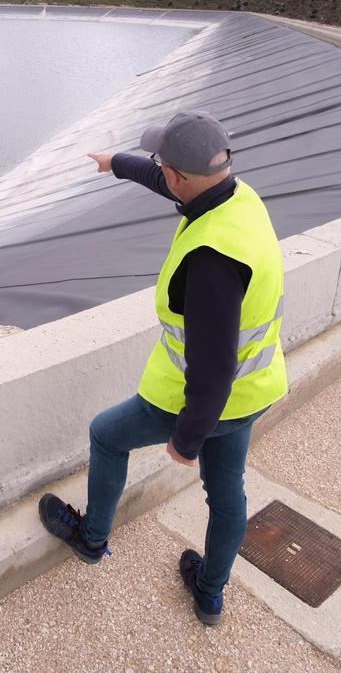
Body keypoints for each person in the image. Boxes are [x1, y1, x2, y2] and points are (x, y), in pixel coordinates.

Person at [37, 110, 288, 626]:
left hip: (198, 400)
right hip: (255, 391)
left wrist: (187, 439)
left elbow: (212, 369)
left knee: (106, 435)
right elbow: (169, 181)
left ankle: (91, 538)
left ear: (180, 175)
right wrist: (117, 163)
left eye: (162, 166)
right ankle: (210, 591)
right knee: (227, 494)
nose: (161, 173)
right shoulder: (240, 198)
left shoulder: (212, 261)